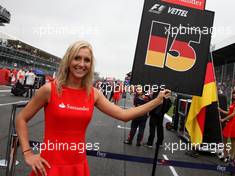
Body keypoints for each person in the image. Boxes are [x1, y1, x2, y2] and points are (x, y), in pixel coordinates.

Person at [15, 41, 171, 176]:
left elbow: (124, 115)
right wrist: (28, 153)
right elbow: (22, 118)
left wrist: (157, 101)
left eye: (87, 60)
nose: (81, 64)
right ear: (69, 60)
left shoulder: (93, 94)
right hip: (49, 165)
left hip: (78, 165)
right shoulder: (50, 90)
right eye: (77, 58)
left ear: (90, 65)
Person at [218, 89, 235, 166]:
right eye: (233, 93)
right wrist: (221, 110)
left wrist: (223, 119)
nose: (234, 95)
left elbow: (233, 114)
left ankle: (232, 158)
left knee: (233, 142)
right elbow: (229, 112)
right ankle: (226, 155)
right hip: (230, 122)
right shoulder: (233, 102)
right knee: (224, 138)